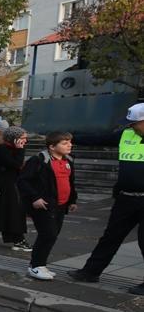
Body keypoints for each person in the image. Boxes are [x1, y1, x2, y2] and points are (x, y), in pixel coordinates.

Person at [69, 103, 144, 294]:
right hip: (125, 198)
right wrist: (72, 138)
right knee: (111, 236)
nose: (131, 126)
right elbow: (100, 138)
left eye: (134, 123)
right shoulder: (126, 134)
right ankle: (90, 272)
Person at [17, 131, 78, 281]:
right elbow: (22, 181)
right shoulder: (38, 160)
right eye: (64, 143)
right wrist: (35, 198)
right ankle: (35, 266)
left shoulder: (68, 160)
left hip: (61, 206)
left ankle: (41, 265)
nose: (69, 145)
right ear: (52, 146)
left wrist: (72, 200)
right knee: (48, 234)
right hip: (43, 205)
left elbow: (70, 182)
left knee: (52, 235)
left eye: (70, 142)